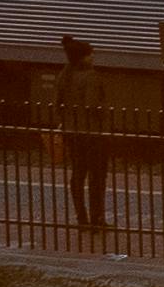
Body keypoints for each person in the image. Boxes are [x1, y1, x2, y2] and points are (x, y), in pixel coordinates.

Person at [42, 32, 116, 234]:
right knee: (97, 176)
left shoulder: (64, 76)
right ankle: (97, 219)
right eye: (91, 53)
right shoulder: (91, 77)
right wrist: (105, 116)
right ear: (84, 56)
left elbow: (57, 106)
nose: (93, 56)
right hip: (93, 133)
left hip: (72, 132)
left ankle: (81, 217)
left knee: (78, 174)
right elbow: (94, 105)